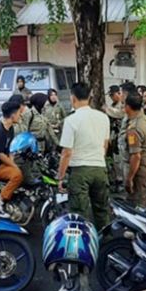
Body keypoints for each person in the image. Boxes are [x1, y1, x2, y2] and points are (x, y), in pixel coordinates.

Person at [58, 82, 111, 229]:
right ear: (90, 97)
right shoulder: (103, 117)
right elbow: (105, 145)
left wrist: (61, 177)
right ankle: (106, 245)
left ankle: (82, 246)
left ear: (73, 98)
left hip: (80, 171)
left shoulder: (71, 120)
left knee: (79, 213)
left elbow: (67, 152)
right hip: (100, 169)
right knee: (102, 211)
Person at [124, 91, 146, 207]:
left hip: (140, 169)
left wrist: (129, 178)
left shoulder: (133, 128)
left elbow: (136, 156)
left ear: (127, 107)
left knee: (138, 203)